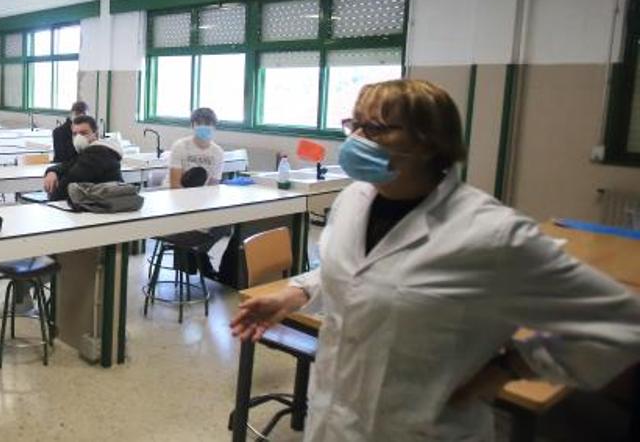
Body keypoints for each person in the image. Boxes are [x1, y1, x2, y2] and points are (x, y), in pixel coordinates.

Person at [230, 79, 640, 441]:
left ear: (429, 142)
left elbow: (622, 324)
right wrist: (294, 294)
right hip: (333, 420)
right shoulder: (356, 197)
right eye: (354, 125)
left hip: (423, 429)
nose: (357, 140)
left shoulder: (491, 234)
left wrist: (512, 367)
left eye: (376, 128)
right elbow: (354, 269)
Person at [42, 115, 123, 201]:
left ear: (96, 135)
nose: (78, 138)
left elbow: (69, 183)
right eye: (75, 134)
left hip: (106, 206)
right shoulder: (90, 151)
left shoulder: (98, 153)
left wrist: (52, 196)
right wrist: (53, 171)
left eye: (83, 133)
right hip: (100, 203)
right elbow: (68, 164)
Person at [167, 107, 225, 188]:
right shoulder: (180, 147)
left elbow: (213, 186)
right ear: (192, 126)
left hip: (201, 196)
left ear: (214, 127)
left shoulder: (218, 152)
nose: (203, 127)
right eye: (199, 124)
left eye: (207, 124)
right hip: (176, 194)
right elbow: (175, 185)